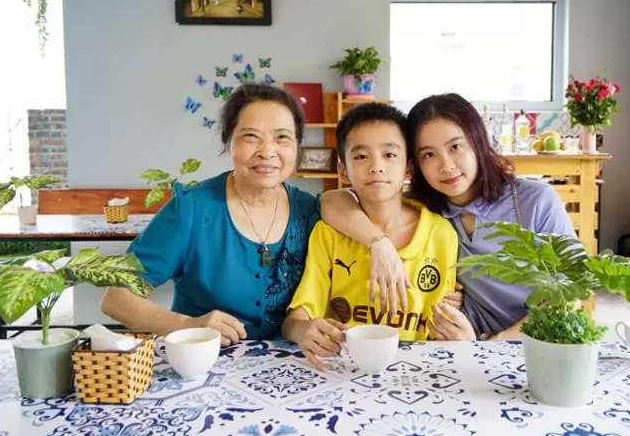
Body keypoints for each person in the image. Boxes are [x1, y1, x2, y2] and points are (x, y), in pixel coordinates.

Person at [320, 93, 576, 341]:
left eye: (455, 147)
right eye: (428, 154)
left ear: (478, 142)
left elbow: (570, 293)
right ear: (414, 163)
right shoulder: (423, 207)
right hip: (458, 340)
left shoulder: (535, 201)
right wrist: (380, 243)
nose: (446, 166)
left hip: (536, 342)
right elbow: (330, 201)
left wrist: (493, 343)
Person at [101, 83, 319, 346]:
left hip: (293, 370)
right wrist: (189, 325)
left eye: (282, 137)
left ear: (297, 146)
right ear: (229, 144)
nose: (267, 151)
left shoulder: (310, 210)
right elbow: (116, 298)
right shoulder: (191, 209)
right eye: (251, 136)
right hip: (202, 364)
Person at [282, 102, 469, 369]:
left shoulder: (441, 234)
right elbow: (296, 319)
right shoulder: (329, 233)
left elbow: (442, 325)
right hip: (343, 371)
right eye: (361, 156)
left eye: (390, 154)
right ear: (342, 171)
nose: (376, 167)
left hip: (415, 373)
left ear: (409, 167)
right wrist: (303, 331)